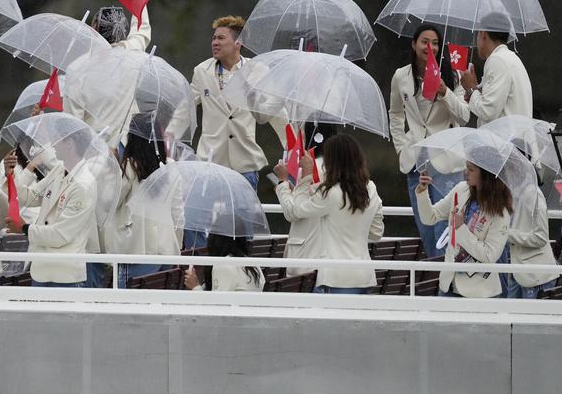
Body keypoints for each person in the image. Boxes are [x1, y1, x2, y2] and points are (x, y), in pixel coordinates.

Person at [388, 24, 470, 257]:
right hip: (416, 160)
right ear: (414, 45)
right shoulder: (401, 76)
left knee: (444, 229)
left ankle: (442, 284)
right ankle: (435, 280)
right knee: (425, 226)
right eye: (425, 42)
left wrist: (445, 92)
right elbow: (395, 113)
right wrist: (400, 147)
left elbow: (464, 116)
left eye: (435, 43)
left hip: (446, 161)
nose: (430, 47)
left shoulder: (452, 75)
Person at [274, 135, 384, 294]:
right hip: (363, 275)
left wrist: (305, 176)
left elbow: (297, 210)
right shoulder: (371, 189)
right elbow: (376, 232)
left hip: (334, 277)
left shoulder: (330, 193)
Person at [190, 16, 280, 193]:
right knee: (210, 219)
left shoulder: (257, 70)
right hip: (210, 162)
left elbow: (264, 116)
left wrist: (251, 93)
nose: (215, 42)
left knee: (242, 220)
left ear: (238, 43)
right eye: (214, 38)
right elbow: (184, 107)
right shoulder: (202, 71)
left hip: (245, 164)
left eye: (221, 38)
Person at [6, 145, 98, 288]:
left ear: (71, 143)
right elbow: (29, 196)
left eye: (60, 139)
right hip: (42, 269)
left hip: (65, 277)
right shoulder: (59, 169)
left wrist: (24, 228)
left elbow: (60, 235)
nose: (54, 145)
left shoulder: (84, 184)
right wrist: (10, 175)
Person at [416, 162, 512, 298]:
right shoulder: (460, 190)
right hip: (448, 283)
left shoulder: (500, 210)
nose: (466, 172)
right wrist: (422, 191)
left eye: (471, 169)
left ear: (486, 175)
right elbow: (430, 217)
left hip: (479, 293)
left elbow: (489, 255)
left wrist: (461, 228)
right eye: (466, 167)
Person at [107, 117, 181, 286]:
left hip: (137, 250)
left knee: (128, 305)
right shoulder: (171, 168)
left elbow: (111, 202)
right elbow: (178, 214)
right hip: (167, 249)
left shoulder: (131, 167)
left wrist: (112, 167)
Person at [459, 13, 533, 127]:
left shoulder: (497, 60)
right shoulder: (509, 57)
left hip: (505, 141)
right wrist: (476, 93)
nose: (476, 41)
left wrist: (471, 88)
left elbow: (488, 111)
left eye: (478, 34)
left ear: (483, 34)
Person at [505, 185, 559, 298]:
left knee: (530, 315)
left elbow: (541, 237)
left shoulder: (533, 194)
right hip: (519, 272)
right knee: (507, 313)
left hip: (535, 276)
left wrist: (508, 234)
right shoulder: (515, 194)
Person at [183, 233, 264, 292]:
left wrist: (195, 287)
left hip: (234, 314)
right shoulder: (254, 266)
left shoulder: (223, 265)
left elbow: (215, 307)